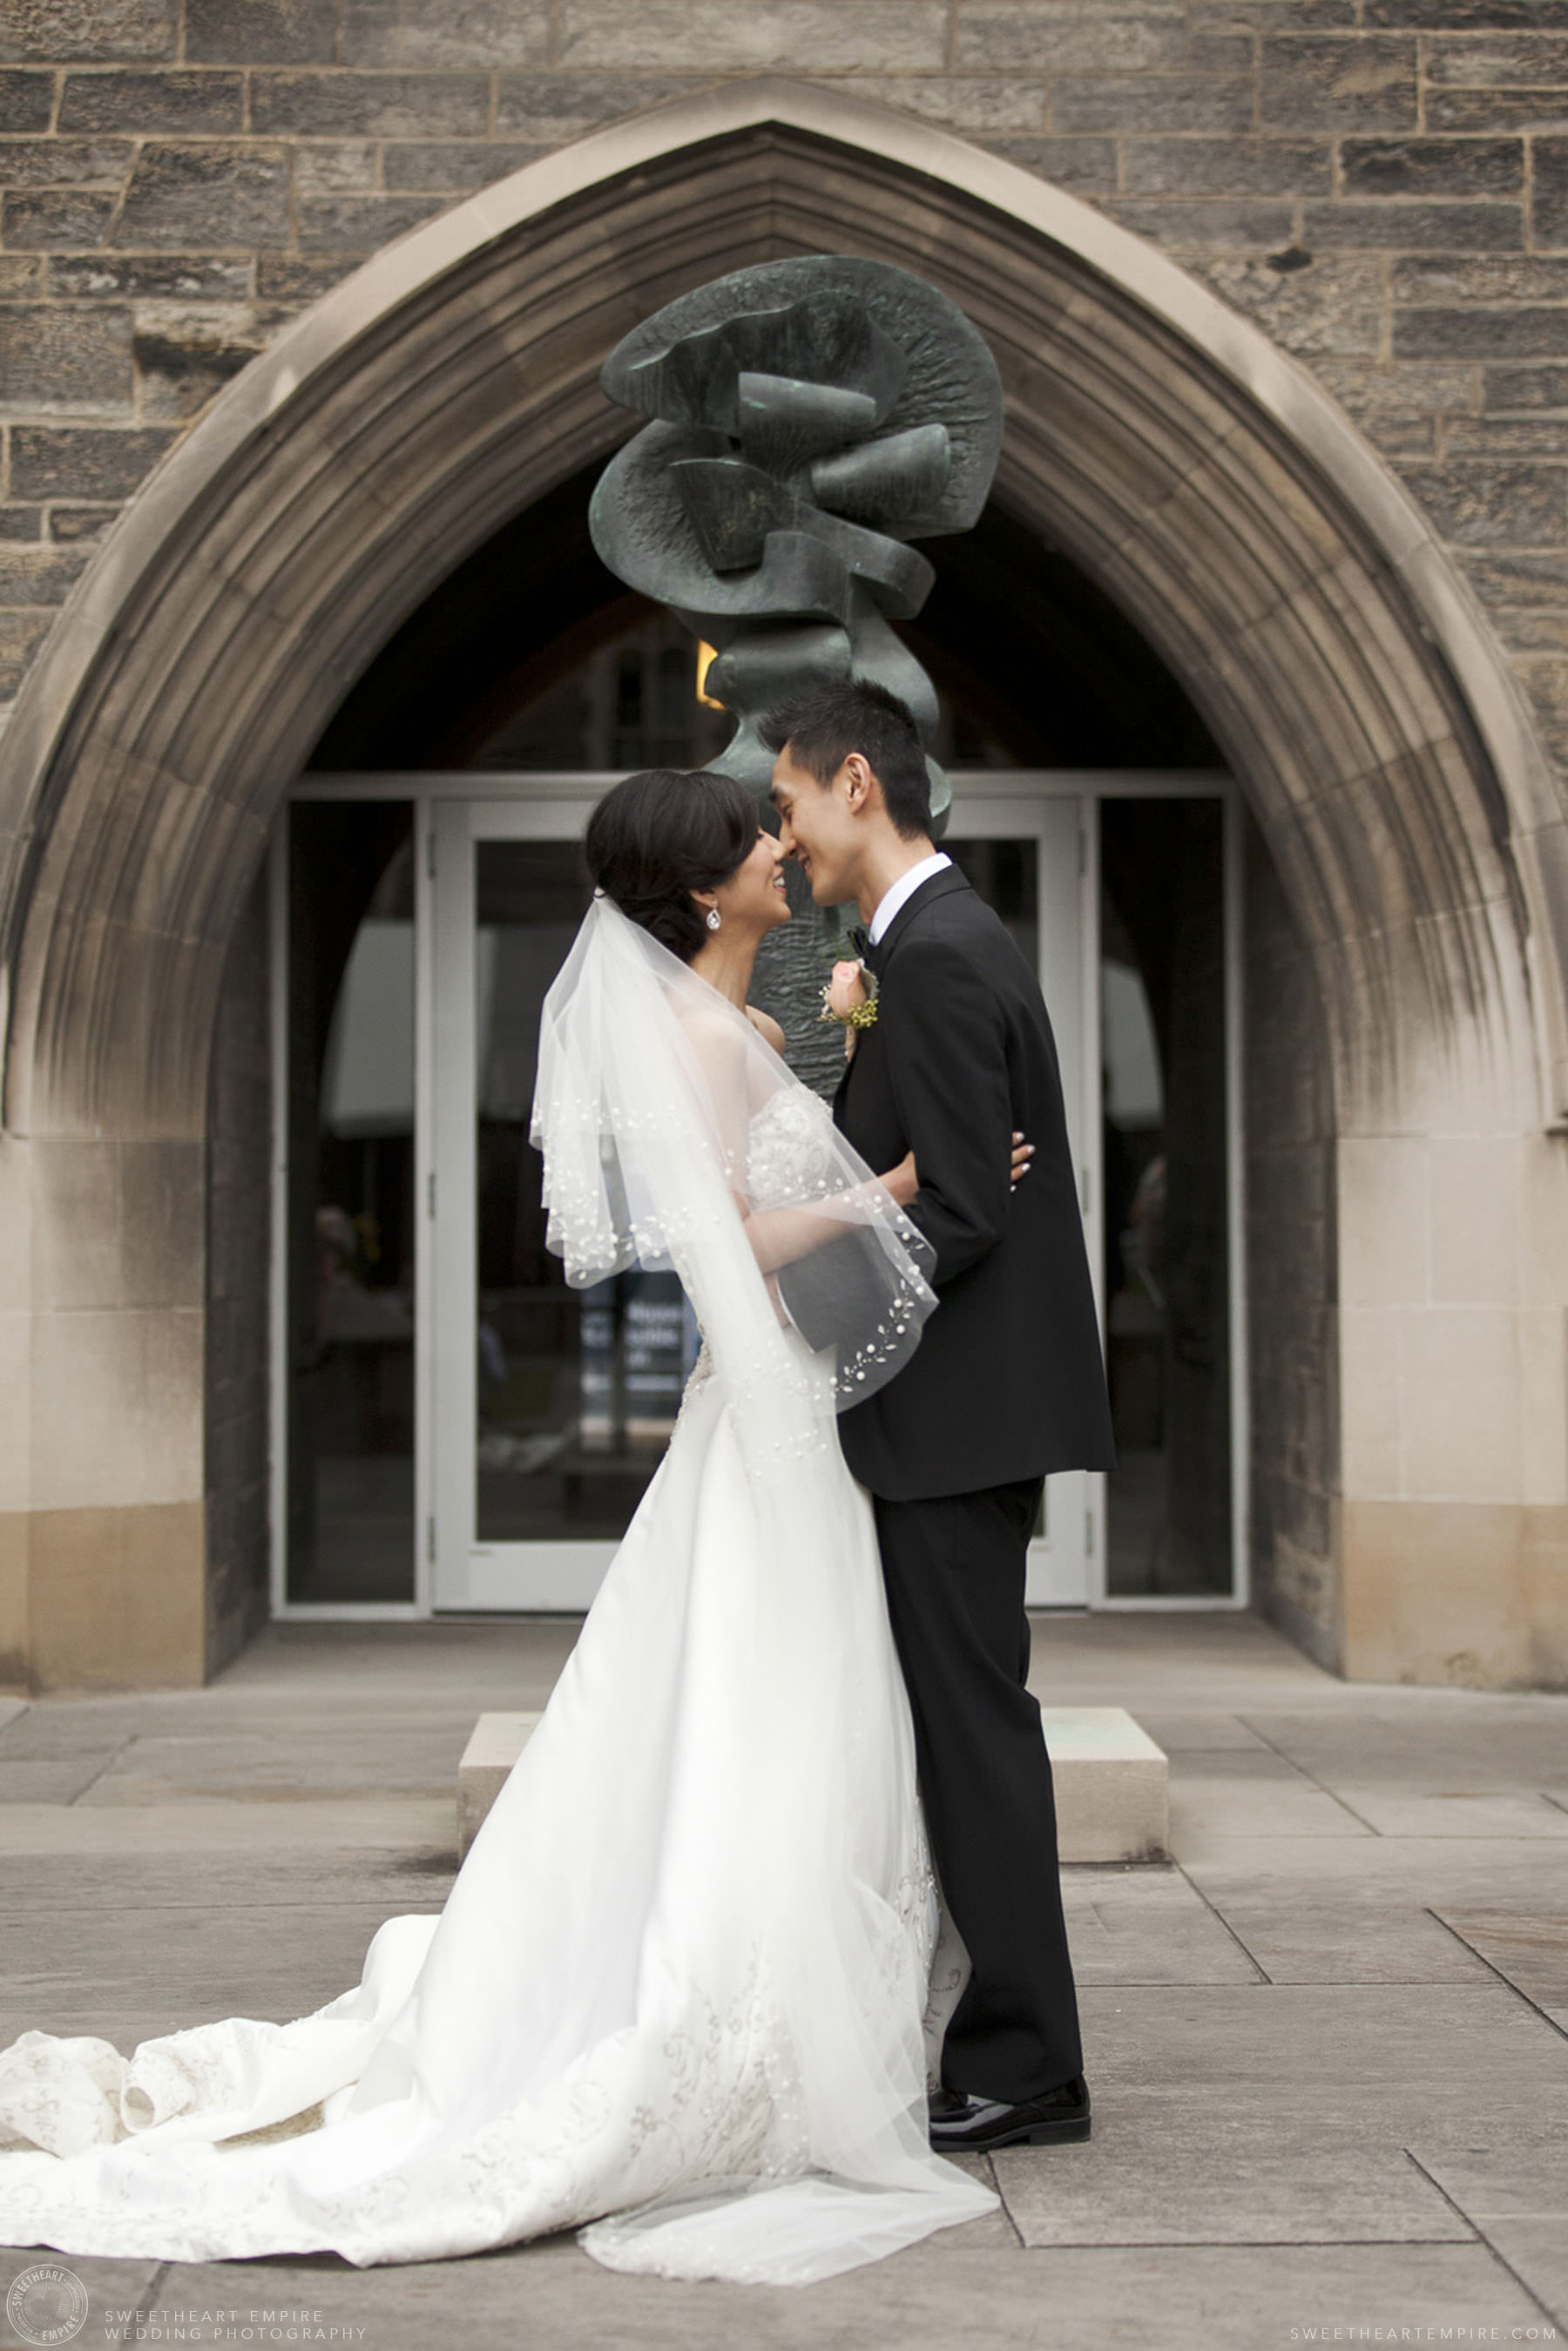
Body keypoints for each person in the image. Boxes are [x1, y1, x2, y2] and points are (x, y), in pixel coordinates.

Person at [0, 767, 1028, 2287]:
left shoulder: (737, 1024)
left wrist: (885, 1185)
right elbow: (725, 1240)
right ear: (699, 887)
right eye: (750, 837)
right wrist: (900, 1184)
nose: (776, 843)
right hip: (771, 1422)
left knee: (766, 1704)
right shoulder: (692, 1030)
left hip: (789, 1407)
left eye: (771, 821)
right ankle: (721, 2012)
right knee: (764, 1693)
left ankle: (779, 1996)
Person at [762, 682, 1119, 2154]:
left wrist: (803, 1306)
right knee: (958, 1733)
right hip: (950, 1419)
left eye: (788, 804)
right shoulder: (913, 950)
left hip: (959, 1423)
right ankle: (997, 2038)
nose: (783, 838)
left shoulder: (950, 955)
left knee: (976, 1737)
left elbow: (966, 1207)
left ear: (857, 784)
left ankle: (1031, 2065)